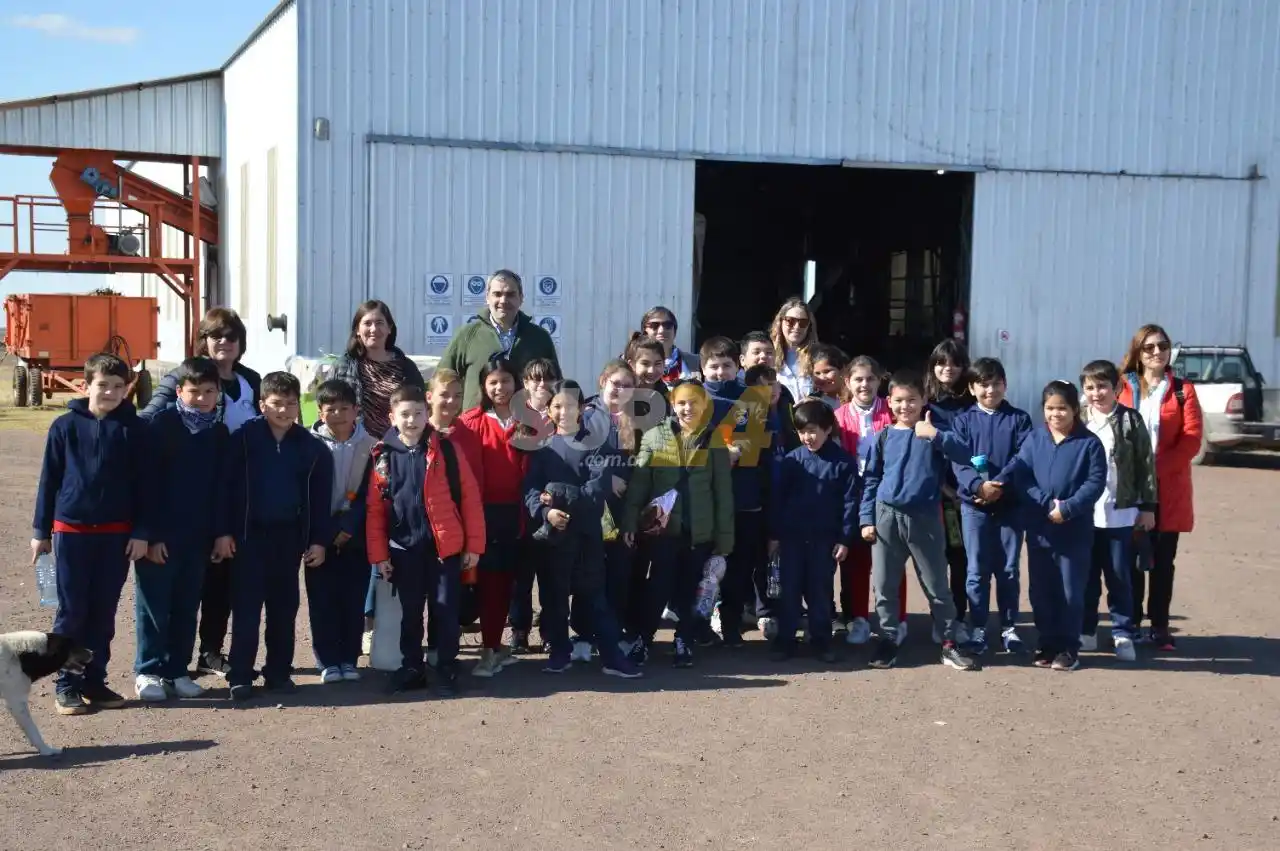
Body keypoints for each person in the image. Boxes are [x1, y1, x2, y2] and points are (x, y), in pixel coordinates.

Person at [139, 307, 261, 681]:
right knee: (176, 590)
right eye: (216, 336)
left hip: (234, 489)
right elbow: (150, 420)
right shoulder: (184, 377)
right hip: (187, 492)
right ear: (204, 340)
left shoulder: (250, 379)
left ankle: (209, 651)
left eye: (231, 336)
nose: (224, 342)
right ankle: (158, 668)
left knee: (221, 580)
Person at [31, 353, 149, 715]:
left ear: (127, 389)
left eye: (118, 386)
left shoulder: (136, 430)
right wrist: (41, 530)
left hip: (116, 536)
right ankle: (66, 684)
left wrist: (142, 532)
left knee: (102, 613)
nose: (111, 392)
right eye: (103, 385)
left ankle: (94, 681)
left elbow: (147, 488)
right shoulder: (64, 427)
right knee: (71, 611)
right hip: (71, 533)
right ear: (86, 385)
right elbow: (49, 480)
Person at [217, 371, 334, 701]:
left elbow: (319, 501)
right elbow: (224, 491)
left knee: (284, 609)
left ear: (300, 405)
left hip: (289, 539)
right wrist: (223, 532)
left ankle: (278, 673)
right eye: (276, 404)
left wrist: (318, 540)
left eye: (291, 404)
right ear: (261, 405)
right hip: (247, 537)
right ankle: (240, 675)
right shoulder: (242, 440)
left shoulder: (312, 449)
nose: (284, 411)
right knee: (246, 608)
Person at [366, 384, 485, 696]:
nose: (412, 419)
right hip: (404, 549)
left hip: (443, 548)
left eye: (418, 412)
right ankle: (412, 667)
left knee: (445, 609)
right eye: (404, 414)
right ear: (393, 417)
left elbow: (470, 497)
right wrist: (380, 556)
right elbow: (375, 509)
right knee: (410, 611)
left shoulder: (447, 450)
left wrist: (474, 546)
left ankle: (446, 666)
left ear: (426, 412)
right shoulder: (382, 456)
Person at [858, 369, 980, 672]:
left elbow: (965, 454)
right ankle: (888, 637)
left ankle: (949, 641)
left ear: (923, 399)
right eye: (899, 401)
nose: (905, 407)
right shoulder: (883, 436)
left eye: (912, 400)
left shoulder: (934, 433)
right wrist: (866, 519)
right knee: (885, 583)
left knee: (936, 583)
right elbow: (871, 479)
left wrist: (936, 435)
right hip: (886, 517)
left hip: (924, 518)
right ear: (889, 402)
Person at [522, 381, 642, 678]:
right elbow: (531, 491)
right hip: (554, 538)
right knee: (555, 599)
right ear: (549, 410)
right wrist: (547, 512)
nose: (563, 412)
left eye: (570, 405)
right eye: (557, 406)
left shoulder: (596, 444)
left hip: (588, 537)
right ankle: (560, 652)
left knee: (597, 600)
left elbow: (596, 488)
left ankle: (612, 657)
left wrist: (557, 494)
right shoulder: (542, 449)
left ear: (582, 409)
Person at [620, 379, 734, 668]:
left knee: (689, 590)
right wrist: (630, 522)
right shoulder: (654, 437)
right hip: (663, 531)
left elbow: (722, 492)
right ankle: (643, 640)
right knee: (657, 587)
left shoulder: (715, 439)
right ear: (673, 403)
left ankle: (684, 639)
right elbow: (639, 486)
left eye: (694, 401)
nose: (688, 408)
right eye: (682, 402)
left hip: (699, 531)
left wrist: (724, 538)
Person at [134, 357, 229, 702]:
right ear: (179, 391)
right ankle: (148, 671)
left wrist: (221, 532)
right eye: (194, 392)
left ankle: (177, 670)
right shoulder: (159, 427)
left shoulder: (218, 433)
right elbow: (145, 487)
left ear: (218, 393)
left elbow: (222, 488)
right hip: (161, 537)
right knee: (154, 606)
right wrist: (152, 535)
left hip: (198, 537)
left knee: (187, 605)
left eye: (209, 392)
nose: (202, 398)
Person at [994, 381, 1106, 671]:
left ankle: (1069, 647)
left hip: (1074, 530)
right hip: (1040, 527)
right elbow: (1021, 472)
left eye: (1062, 408)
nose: (1055, 414)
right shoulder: (1035, 439)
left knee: (1070, 589)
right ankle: (1047, 641)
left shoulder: (1089, 444)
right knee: (1042, 589)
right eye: (1049, 408)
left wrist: (1067, 509)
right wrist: (1044, 503)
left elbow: (1094, 483)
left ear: (1074, 409)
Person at [1116, 324, 1203, 651]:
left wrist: (1152, 472)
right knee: (1130, 560)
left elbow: (1191, 439)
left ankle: (1161, 626)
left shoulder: (1183, 390)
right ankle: (1132, 623)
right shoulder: (1122, 386)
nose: (1157, 352)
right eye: (1149, 347)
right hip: (1128, 490)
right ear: (1138, 351)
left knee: (1163, 561)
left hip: (1168, 489)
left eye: (1162, 346)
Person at [948, 357, 1033, 655]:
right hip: (974, 507)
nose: (990, 390)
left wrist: (997, 485)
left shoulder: (1019, 419)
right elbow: (958, 461)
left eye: (996, 383)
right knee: (976, 570)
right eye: (983, 384)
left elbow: (1023, 457)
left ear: (1005, 385)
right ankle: (979, 626)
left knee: (1008, 570)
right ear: (972, 388)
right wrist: (978, 487)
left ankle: (1009, 627)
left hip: (1010, 506)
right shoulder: (962, 421)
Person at [768, 400, 859, 662]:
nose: (807, 437)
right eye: (802, 431)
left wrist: (844, 539)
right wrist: (774, 536)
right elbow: (778, 500)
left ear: (828, 428)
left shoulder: (843, 462)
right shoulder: (791, 461)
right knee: (790, 588)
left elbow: (850, 503)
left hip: (825, 539)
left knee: (820, 590)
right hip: (792, 538)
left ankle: (821, 640)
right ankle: (786, 639)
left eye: (813, 430)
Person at [1079, 360, 1157, 661]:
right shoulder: (1079, 419)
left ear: (1116, 388)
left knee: (1119, 576)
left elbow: (1145, 466)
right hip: (1084, 513)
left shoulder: (1130, 420)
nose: (1096, 393)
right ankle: (1086, 631)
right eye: (1089, 387)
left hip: (1120, 512)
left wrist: (1147, 507)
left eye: (1102, 386)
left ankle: (1123, 632)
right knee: (1086, 577)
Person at [457, 358, 528, 677]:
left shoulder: (530, 420)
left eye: (507, 381)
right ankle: (487, 650)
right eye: (494, 382)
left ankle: (497, 646)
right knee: (487, 584)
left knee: (508, 584)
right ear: (484, 386)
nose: (501, 388)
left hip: (519, 513)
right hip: (483, 515)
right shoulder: (471, 422)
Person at [307, 379, 377, 684]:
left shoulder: (372, 445)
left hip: (356, 535)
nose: (338, 414)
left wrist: (348, 527)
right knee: (322, 601)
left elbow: (370, 493)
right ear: (320, 413)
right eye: (330, 408)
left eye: (344, 408)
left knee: (353, 599)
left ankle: (349, 658)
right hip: (319, 535)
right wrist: (324, 533)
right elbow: (307, 494)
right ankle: (328, 661)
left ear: (356, 411)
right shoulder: (309, 445)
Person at [833, 355, 905, 645]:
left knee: (892, 560)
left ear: (880, 381)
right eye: (858, 379)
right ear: (848, 382)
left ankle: (896, 620)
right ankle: (859, 618)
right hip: (853, 496)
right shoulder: (838, 417)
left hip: (887, 495)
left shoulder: (893, 412)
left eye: (870, 379)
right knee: (856, 562)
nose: (864, 385)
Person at [440, 270, 562, 410]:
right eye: (497, 294)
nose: (503, 301)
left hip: (525, 426)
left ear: (521, 298)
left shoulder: (539, 337)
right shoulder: (467, 335)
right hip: (476, 428)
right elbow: (444, 379)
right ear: (487, 297)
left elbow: (556, 384)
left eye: (510, 294)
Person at [582, 360, 641, 644]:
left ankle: (613, 630)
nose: (620, 390)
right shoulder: (586, 415)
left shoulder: (636, 419)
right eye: (616, 383)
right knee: (589, 571)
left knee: (619, 571)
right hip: (593, 505)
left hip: (623, 509)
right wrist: (608, 481)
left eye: (627, 386)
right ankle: (583, 633)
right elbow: (579, 460)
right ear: (603, 381)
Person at [507, 356, 562, 648]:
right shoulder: (516, 416)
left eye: (547, 378)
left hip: (552, 505)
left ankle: (551, 631)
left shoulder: (561, 416)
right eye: (535, 378)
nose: (542, 384)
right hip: (520, 506)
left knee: (550, 575)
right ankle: (519, 629)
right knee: (521, 576)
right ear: (525, 383)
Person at [926, 338, 975, 645]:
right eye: (942, 362)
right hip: (934, 495)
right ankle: (938, 619)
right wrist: (942, 487)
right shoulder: (925, 405)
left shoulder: (972, 405)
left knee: (961, 562)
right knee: (933, 563)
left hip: (965, 496)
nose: (948, 369)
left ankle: (958, 618)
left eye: (955, 363)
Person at [331, 300, 426, 444]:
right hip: (356, 447)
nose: (374, 329)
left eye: (380, 323)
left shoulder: (406, 367)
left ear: (390, 328)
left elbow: (421, 408)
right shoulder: (343, 367)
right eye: (367, 323)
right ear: (357, 329)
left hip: (398, 447)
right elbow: (329, 407)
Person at [634, 306, 698, 387]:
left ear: (674, 331)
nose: (661, 330)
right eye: (654, 325)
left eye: (667, 325)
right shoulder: (630, 362)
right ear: (644, 332)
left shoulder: (696, 361)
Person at [769, 297, 819, 401]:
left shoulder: (818, 357)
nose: (796, 327)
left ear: (809, 327)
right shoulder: (767, 355)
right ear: (780, 322)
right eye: (790, 321)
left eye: (803, 322)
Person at [807, 343, 849, 409]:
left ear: (842, 370)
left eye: (827, 371)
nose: (822, 378)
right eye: (817, 373)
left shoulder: (856, 396)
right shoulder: (814, 403)